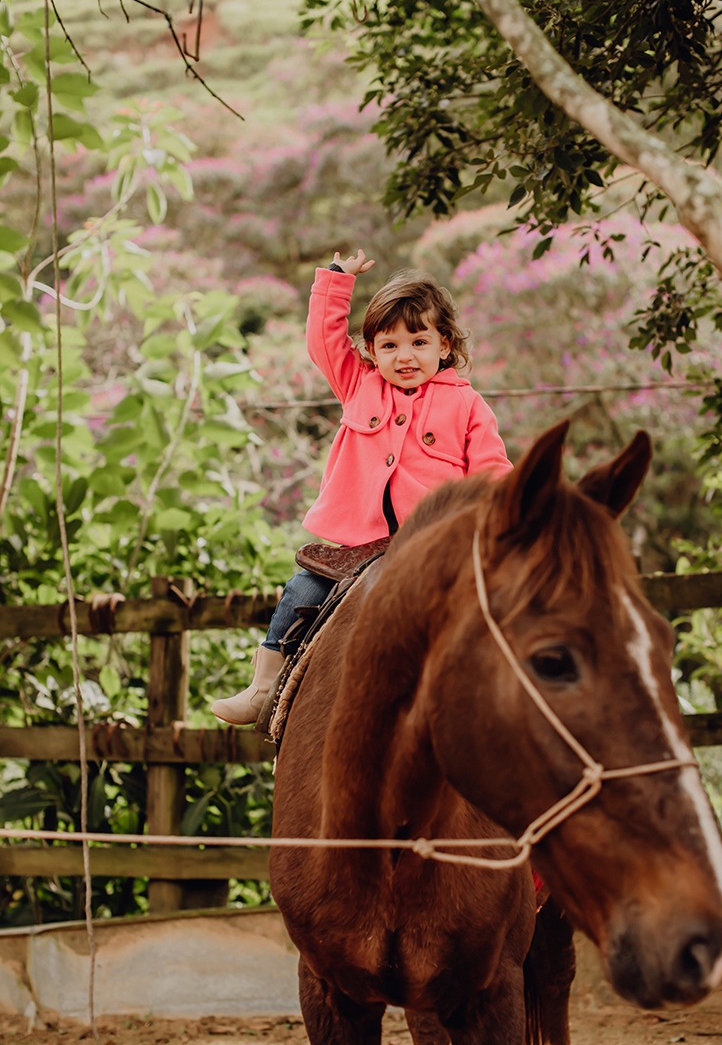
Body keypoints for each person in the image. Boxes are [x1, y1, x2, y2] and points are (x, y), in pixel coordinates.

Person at [211, 249, 513, 725]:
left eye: (418, 342)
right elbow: (325, 342)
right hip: (358, 545)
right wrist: (335, 284)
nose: (404, 356)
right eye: (389, 346)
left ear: (445, 344)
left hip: (436, 542)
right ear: (371, 351)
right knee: (300, 592)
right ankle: (263, 685)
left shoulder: (468, 405)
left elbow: (492, 471)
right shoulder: (360, 386)